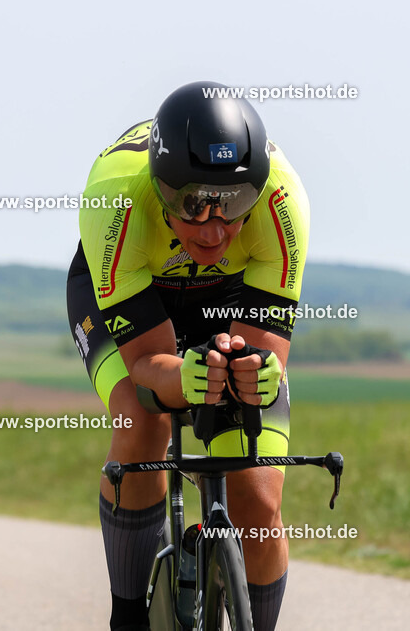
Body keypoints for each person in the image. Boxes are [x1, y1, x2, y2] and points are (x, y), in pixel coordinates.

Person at [67, 81, 309, 631]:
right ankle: (127, 617)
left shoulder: (283, 200)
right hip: (132, 294)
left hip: (227, 297)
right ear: (160, 189)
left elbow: (265, 358)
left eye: (234, 203)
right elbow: (148, 363)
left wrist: (253, 373)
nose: (215, 228)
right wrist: (189, 378)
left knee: (258, 500)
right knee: (139, 414)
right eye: (193, 204)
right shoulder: (116, 197)